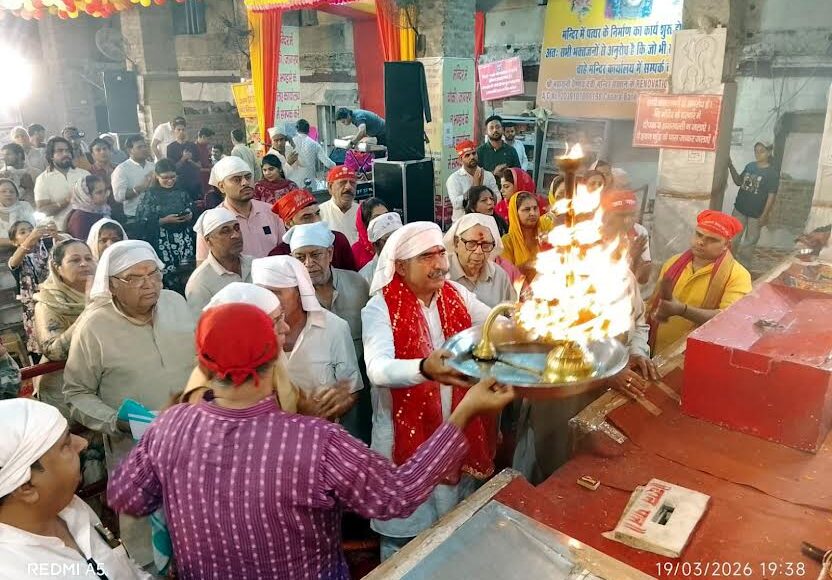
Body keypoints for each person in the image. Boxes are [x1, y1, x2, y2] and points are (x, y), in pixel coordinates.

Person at [107, 302, 513, 579]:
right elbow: (398, 495)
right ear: (274, 357)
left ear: (202, 363)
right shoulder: (314, 441)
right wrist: (465, 411)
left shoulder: (169, 427)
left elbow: (127, 495)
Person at [362, 221, 499, 559]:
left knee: (453, 529)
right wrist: (424, 368)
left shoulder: (456, 295)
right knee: (405, 542)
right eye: (426, 256)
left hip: (455, 428)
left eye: (440, 253)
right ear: (401, 266)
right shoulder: (380, 307)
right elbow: (378, 369)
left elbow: (495, 324)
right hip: (402, 438)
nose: (440, 264)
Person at [63, 240, 195, 567]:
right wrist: (114, 421)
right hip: (135, 451)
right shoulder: (94, 327)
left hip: (192, 444)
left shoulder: (176, 303)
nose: (149, 283)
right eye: (135, 278)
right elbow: (76, 392)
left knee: (200, 529)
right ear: (112, 285)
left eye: (154, 274)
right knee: (149, 551)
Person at [513, 270, 657, 483]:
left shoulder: (623, 275)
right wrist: (605, 371)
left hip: (608, 395)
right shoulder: (551, 276)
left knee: (594, 468)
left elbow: (638, 322)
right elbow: (541, 341)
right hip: (562, 395)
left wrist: (637, 351)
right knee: (553, 467)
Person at [0, 398, 151, 579]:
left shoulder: (71, 508)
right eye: (65, 445)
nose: (82, 443)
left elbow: (123, 565)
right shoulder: (13, 571)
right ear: (27, 487)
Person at [286, 221, 371, 439]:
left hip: (363, 381)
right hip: (320, 393)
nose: (309, 264)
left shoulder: (358, 283)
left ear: (330, 253)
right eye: (300, 257)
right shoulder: (291, 297)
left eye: (315, 254)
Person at [252, 255, 363, 420]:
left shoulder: (334, 328)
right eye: (262, 293)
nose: (269, 300)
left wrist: (333, 406)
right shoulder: (250, 335)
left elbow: (351, 389)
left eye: (276, 292)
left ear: (298, 291)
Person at [648, 210, 752, 355]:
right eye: (699, 234)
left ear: (726, 245)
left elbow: (728, 319)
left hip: (697, 355)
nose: (701, 242)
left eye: (712, 239)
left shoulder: (738, 275)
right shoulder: (673, 263)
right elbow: (652, 304)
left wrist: (682, 310)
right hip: (657, 349)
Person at [33, 239, 95, 417]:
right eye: (75, 260)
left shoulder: (105, 292)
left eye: (88, 258)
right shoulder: (48, 302)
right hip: (63, 387)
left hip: (102, 378)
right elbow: (54, 351)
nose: (84, 264)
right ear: (57, 268)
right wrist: (89, 311)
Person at [199, 156, 285, 261]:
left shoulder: (272, 212)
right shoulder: (212, 222)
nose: (245, 182)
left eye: (248, 177)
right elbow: (203, 266)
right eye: (237, 179)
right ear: (221, 186)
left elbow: (285, 253)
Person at [135, 159, 195, 291]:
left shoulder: (182, 192)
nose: (170, 181)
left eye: (173, 177)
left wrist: (190, 215)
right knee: (168, 279)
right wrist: (163, 221)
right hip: (163, 243)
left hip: (184, 242)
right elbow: (141, 221)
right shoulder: (150, 195)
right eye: (165, 178)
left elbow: (191, 207)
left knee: (188, 277)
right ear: (156, 176)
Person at [8, 220, 62, 358]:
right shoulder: (17, 259)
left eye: (31, 229)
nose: (29, 233)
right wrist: (31, 238)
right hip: (34, 311)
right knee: (41, 348)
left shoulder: (49, 253)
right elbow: (13, 263)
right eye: (23, 232)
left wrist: (56, 235)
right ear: (15, 242)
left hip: (57, 304)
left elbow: (64, 252)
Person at [186, 207, 253, 318]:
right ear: (208, 240)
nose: (235, 235)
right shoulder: (200, 283)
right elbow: (202, 328)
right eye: (225, 231)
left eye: (237, 228)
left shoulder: (254, 264)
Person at [270, 188, 357, 270]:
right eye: (307, 217)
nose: (316, 221)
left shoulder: (337, 240)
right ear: (288, 223)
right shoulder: (278, 256)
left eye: (317, 213)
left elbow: (351, 278)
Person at [444, 214, 515, 307]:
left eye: (486, 245)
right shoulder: (442, 275)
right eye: (471, 244)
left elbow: (512, 312)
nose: (479, 251)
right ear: (457, 243)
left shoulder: (499, 276)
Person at [729, 142, 779, 263]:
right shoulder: (750, 166)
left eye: (761, 151)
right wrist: (730, 166)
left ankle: (743, 267)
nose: (758, 154)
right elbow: (738, 182)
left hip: (756, 214)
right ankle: (728, 263)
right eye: (756, 151)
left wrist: (764, 215)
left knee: (749, 243)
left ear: (768, 152)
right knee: (733, 238)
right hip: (740, 209)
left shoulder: (772, 173)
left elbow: (771, 196)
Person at [34, 137, 90, 231]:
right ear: (51, 155)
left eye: (68, 151)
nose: (65, 154)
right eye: (60, 151)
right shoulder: (43, 179)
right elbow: (42, 211)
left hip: (87, 225)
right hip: (59, 231)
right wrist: (66, 201)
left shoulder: (84, 174)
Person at [601, 189, 651, 285]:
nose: (627, 220)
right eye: (621, 215)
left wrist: (636, 258)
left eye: (632, 215)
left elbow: (643, 280)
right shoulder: (594, 234)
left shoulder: (639, 232)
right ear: (608, 215)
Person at [112, 135, 156, 239]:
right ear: (129, 150)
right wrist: (140, 188)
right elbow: (118, 196)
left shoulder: (153, 166)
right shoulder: (122, 169)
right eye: (139, 147)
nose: (144, 149)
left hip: (154, 215)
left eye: (145, 146)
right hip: (134, 218)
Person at [501, 191, 552, 275]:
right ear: (515, 213)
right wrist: (527, 266)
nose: (533, 213)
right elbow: (505, 277)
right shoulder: (507, 242)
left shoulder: (544, 237)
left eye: (535, 208)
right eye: (527, 209)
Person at [446, 140, 499, 222]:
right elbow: (456, 204)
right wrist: (474, 188)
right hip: (463, 224)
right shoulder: (454, 179)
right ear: (460, 160)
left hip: (486, 222)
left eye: (474, 153)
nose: (472, 157)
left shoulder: (488, 175)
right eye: (467, 155)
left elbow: (498, 198)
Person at [360, 211, 402, 286]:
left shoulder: (412, 265)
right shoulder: (365, 276)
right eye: (388, 239)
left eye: (398, 238)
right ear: (375, 245)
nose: (395, 243)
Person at [164, 119, 203, 202]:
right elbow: (172, 169)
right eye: (178, 130)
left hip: (194, 182)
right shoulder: (170, 148)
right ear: (174, 131)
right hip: (180, 183)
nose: (181, 132)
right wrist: (183, 159)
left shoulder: (193, 146)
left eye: (183, 130)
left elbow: (199, 166)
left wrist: (190, 160)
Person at [319, 165, 360, 244]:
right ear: (330, 187)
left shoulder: (363, 212)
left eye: (352, 183)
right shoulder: (320, 213)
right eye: (342, 183)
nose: (348, 187)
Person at [65, 175, 110, 241]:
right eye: (99, 192)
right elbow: (82, 246)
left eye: (105, 190)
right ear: (86, 195)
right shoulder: (80, 218)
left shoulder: (102, 210)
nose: (105, 194)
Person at [292, 118, 335, 186]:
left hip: (293, 182)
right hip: (310, 182)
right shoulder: (314, 144)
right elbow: (329, 164)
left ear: (296, 130)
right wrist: (339, 167)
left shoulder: (289, 143)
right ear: (309, 130)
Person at [353, 197, 388, 269]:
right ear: (365, 223)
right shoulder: (355, 252)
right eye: (376, 218)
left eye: (385, 216)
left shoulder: (396, 243)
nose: (383, 221)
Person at [0, 179, 35, 248]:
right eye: (3, 191)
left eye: (12, 191)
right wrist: (15, 242)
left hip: (28, 248)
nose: (8, 194)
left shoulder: (25, 206)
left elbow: (32, 229)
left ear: (17, 194)